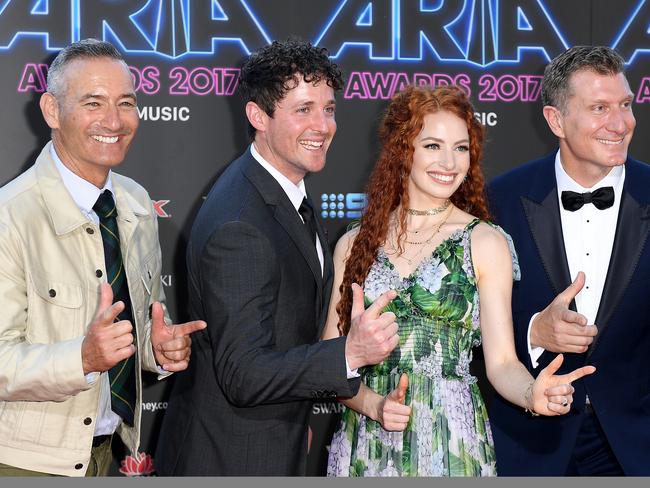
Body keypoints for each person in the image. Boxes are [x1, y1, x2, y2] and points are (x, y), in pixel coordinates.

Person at [154, 39, 399, 476]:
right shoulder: (241, 224)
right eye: (303, 110)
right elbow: (244, 373)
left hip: (269, 442)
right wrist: (350, 352)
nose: (322, 125)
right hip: (229, 460)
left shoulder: (283, 191)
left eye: (328, 109)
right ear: (258, 117)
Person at [324, 85, 595, 477]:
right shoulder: (353, 243)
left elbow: (502, 362)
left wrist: (531, 393)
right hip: (367, 442)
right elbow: (328, 359)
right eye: (433, 146)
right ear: (403, 150)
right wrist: (373, 405)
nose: (450, 162)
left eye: (461, 148)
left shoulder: (485, 241)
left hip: (451, 443)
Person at [0, 39, 206, 477]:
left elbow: (138, 327)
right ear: (52, 110)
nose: (114, 121)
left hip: (107, 452)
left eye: (126, 103)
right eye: (93, 103)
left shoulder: (134, 201)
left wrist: (156, 348)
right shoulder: (10, 217)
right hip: (23, 462)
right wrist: (83, 359)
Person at [488, 45, 650, 476]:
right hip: (527, 443)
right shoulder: (497, 201)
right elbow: (462, 330)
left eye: (626, 106)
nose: (620, 124)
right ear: (555, 120)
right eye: (599, 108)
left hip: (635, 448)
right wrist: (534, 333)